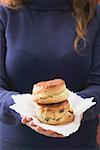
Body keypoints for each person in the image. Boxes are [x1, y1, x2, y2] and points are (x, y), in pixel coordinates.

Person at [0, 0, 100, 149]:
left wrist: (75, 110)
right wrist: (21, 109)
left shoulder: (94, 14)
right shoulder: (5, 13)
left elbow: (98, 84)